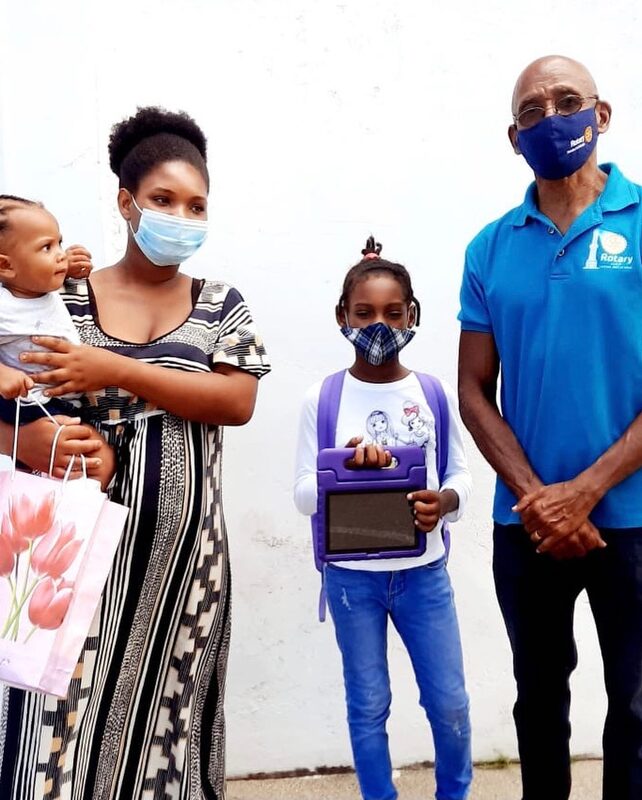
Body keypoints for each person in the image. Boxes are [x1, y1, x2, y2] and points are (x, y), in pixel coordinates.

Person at [0, 106, 270, 800]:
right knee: (54, 719)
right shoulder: (59, 293)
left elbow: (236, 400)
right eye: (163, 199)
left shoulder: (221, 304)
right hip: (67, 554)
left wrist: (113, 369)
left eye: (196, 205)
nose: (181, 216)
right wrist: (22, 438)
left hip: (183, 565)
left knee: (171, 723)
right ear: (126, 203)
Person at [458, 54, 642, 800]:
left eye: (568, 101)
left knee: (637, 708)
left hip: (632, 521)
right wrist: (539, 498)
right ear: (514, 138)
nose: (552, 118)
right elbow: (474, 389)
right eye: (531, 111)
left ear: (602, 115)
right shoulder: (490, 247)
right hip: (527, 526)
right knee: (538, 702)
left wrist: (585, 491)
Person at [294, 238, 472, 800]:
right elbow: (303, 495)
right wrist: (340, 469)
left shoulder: (432, 393)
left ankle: (454, 793)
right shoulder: (322, 399)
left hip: (424, 574)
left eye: (393, 313)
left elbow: (460, 476)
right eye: (364, 313)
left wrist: (444, 502)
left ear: (412, 315)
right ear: (341, 317)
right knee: (368, 703)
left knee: (449, 702)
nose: (379, 326)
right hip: (352, 581)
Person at [0, 195, 95, 422]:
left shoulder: (38, 286)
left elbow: (38, 273)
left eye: (59, 243)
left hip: (67, 402)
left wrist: (67, 268)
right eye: (46, 247)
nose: (60, 254)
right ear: (6, 265)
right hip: (30, 406)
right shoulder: (5, 305)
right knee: (89, 442)